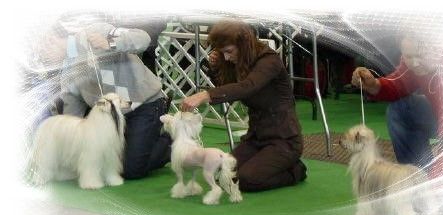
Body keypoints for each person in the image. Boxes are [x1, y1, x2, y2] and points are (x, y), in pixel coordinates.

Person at [181, 20, 307, 192]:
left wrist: (206, 94)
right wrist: (216, 67)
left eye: (229, 51)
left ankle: (296, 170)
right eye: (222, 52)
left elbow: (247, 87)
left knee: (247, 180)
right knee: (222, 172)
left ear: (244, 44)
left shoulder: (269, 61)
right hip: (255, 138)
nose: (226, 57)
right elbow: (230, 91)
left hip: (284, 140)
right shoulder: (240, 61)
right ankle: (271, 162)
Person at [55, 22, 171, 179]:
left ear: (53, 39)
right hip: (112, 116)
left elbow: (144, 38)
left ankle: (171, 140)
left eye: (43, 45)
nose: (41, 52)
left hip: (144, 104)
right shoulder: (67, 69)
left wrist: (110, 43)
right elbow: (72, 111)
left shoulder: (95, 30)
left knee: (131, 170)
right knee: (108, 163)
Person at [351, 34, 443, 179]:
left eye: (421, 55)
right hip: (442, 116)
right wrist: (372, 84)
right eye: (408, 56)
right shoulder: (415, 64)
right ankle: (416, 177)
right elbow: (398, 84)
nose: (414, 63)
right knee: (400, 109)